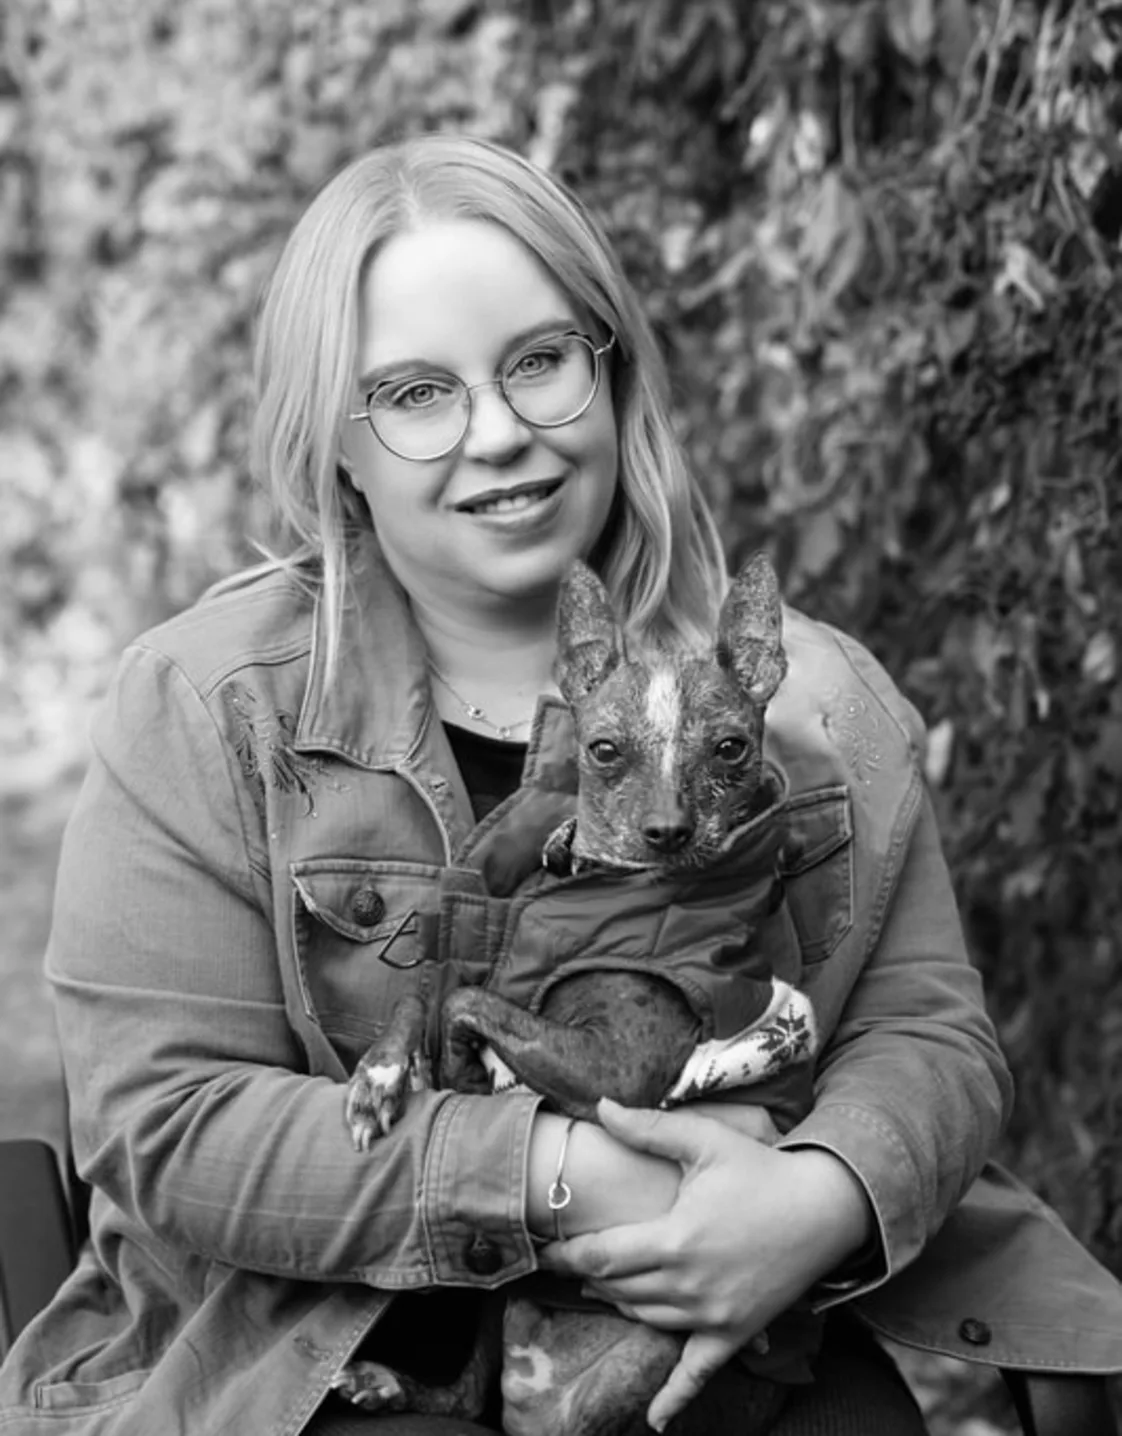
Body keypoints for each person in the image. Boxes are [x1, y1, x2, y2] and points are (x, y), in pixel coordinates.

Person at [1, 132, 1119, 1436]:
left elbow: (924, 1032)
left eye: (537, 362)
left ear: (612, 369)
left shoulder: (815, 705)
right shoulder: (207, 709)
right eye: (415, 394)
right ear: (333, 446)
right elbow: (174, 1120)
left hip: (710, 1324)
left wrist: (816, 1192)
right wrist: (562, 1175)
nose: (499, 436)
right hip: (297, 1354)